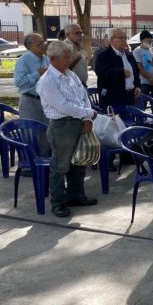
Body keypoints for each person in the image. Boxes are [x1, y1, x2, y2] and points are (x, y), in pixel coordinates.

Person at [36, 40, 98, 217]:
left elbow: (83, 95)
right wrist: (87, 112)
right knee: (60, 165)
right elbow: (63, 106)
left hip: (79, 121)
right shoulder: (47, 81)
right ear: (54, 59)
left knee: (79, 162)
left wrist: (86, 118)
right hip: (62, 125)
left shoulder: (70, 74)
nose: (69, 59)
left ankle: (76, 195)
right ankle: (58, 202)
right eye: (66, 56)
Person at [94, 28, 141, 109]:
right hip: (112, 99)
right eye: (121, 38)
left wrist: (137, 86)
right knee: (117, 122)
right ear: (111, 40)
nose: (124, 40)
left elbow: (136, 73)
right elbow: (102, 74)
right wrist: (121, 72)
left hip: (130, 97)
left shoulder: (129, 55)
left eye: (125, 38)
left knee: (130, 121)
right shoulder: (103, 56)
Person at [14, 33, 49, 124]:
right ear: (30, 45)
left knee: (46, 133)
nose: (43, 45)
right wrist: (37, 74)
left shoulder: (46, 59)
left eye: (43, 42)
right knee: (31, 133)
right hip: (30, 101)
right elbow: (19, 82)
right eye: (39, 43)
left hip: (46, 101)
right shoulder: (23, 60)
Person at [133, 30, 153, 115]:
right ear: (142, 41)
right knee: (142, 103)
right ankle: (141, 121)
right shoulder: (137, 51)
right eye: (147, 41)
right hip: (144, 82)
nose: (149, 42)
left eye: (151, 41)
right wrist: (150, 78)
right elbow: (139, 67)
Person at [63, 23, 89, 87]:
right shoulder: (63, 47)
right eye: (77, 33)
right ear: (67, 34)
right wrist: (75, 59)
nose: (80, 35)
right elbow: (61, 69)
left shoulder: (79, 46)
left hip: (82, 85)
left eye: (81, 33)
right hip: (71, 86)